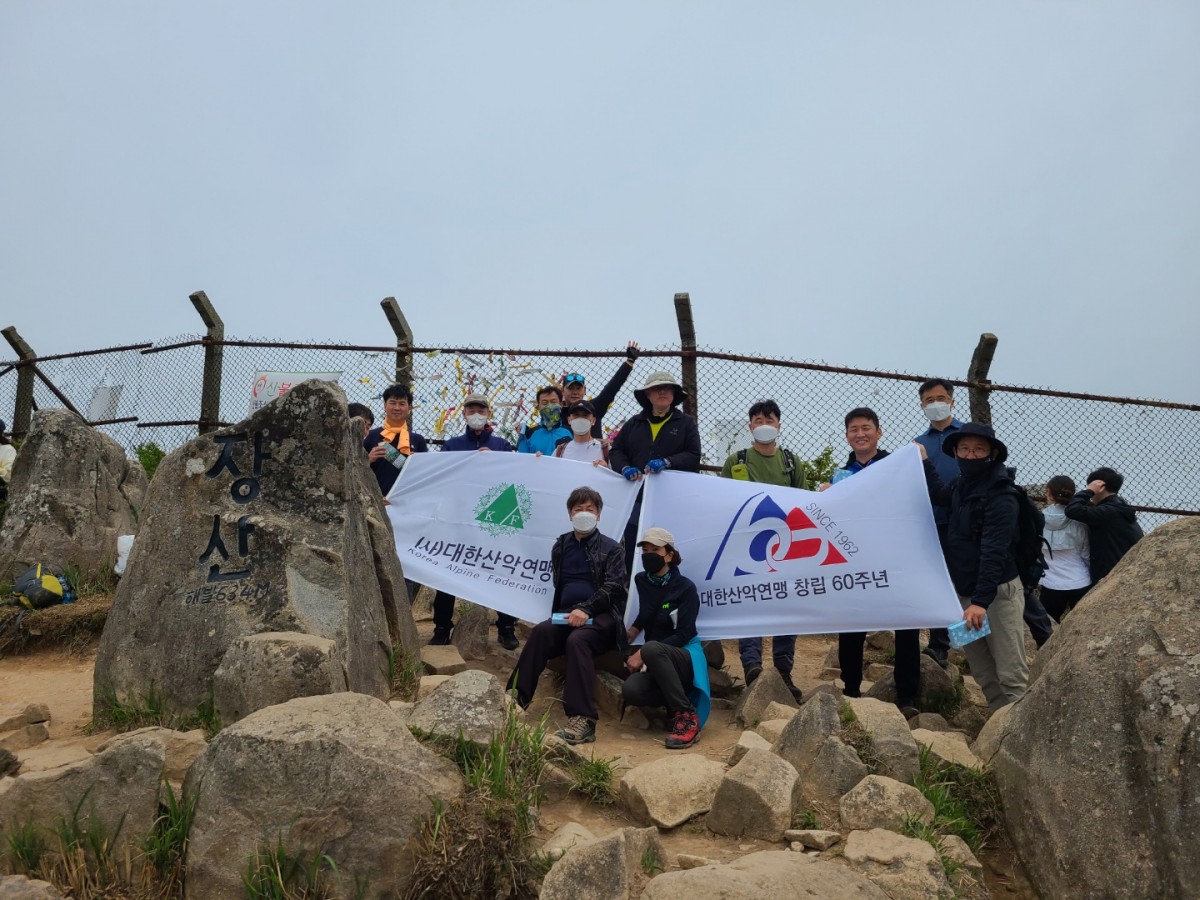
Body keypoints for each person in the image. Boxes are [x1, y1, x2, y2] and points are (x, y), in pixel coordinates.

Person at [918, 422, 1027, 712]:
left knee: (1011, 673)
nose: (970, 455)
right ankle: (999, 728)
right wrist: (925, 462)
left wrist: (980, 601)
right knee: (983, 673)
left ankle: (1021, 731)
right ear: (955, 452)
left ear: (992, 453)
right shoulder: (961, 485)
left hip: (996, 595)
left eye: (979, 449)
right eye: (964, 449)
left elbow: (995, 552)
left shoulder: (1002, 495)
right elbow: (941, 496)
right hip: (965, 594)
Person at [507, 487, 628, 745]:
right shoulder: (560, 546)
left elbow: (615, 586)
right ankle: (514, 700)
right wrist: (571, 611)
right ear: (570, 514)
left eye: (589, 509)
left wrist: (587, 608)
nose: (584, 513)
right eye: (578, 509)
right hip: (567, 615)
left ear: (599, 515)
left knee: (577, 640)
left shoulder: (612, 548)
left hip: (603, 617)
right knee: (541, 632)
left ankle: (583, 719)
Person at [827, 407, 921, 717]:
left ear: (879, 432)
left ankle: (907, 696)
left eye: (866, 428)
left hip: (896, 558)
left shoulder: (898, 467)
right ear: (847, 436)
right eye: (854, 429)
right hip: (855, 561)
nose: (860, 434)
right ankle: (851, 689)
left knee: (906, 625)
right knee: (851, 623)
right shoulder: (840, 475)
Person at [719, 399, 806, 699]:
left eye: (769, 419)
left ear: (779, 424)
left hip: (785, 547)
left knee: (786, 607)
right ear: (750, 426)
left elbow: (803, 503)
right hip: (747, 547)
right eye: (758, 420)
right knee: (750, 604)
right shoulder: (736, 461)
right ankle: (752, 667)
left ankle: (783, 671)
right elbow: (722, 501)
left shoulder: (791, 462)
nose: (764, 425)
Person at [433, 394, 520, 648]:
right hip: (458, 519)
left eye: (481, 410)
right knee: (446, 571)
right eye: (471, 410)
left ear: (488, 413)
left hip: (494, 519)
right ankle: (441, 627)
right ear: (464, 414)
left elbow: (514, 477)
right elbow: (442, 476)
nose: (476, 414)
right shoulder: (452, 445)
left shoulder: (502, 445)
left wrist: (494, 461)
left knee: (501, 571)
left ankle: (506, 626)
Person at [622, 527, 710, 750]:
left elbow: (685, 633)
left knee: (651, 648)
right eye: (645, 550)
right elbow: (647, 612)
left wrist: (643, 653)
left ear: (669, 555)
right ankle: (673, 705)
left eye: (655, 550)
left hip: (684, 656)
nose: (649, 555)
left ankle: (687, 716)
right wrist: (633, 631)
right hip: (657, 659)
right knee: (631, 690)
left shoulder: (686, 588)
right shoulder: (642, 580)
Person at [609, 370, 702, 572]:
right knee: (634, 547)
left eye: (667, 388)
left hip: (672, 500)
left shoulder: (685, 423)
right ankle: (633, 587)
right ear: (648, 395)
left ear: (674, 394)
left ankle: (672, 586)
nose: (662, 392)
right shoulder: (634, 423)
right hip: (637, 498)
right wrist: (625, 468)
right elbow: (616, 450)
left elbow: (694, 455)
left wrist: (667, 462)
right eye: (657, 388)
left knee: (669, 547)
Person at [910, 379, 963, 668]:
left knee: (965, 581)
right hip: (932, 523)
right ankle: (939, 645)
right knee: (937, 582)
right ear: (922, 405)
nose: (936, 404)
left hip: (966, 522)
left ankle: (971, 644)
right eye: (929, 400)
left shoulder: (968, 436)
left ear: (952, 400)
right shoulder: (917, 444)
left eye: (941, 398)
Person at [1064, 466, 1144, 584]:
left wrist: (1089, 491)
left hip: (1109, 575)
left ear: (1100, 487)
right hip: (1122, 570)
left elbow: (1072, 510)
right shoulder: (1120, 508)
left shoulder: (1107, 512)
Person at [561, 340, 641, 438]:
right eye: (570, 388)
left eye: (578, 388)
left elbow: (612, 387)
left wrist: (630, 361)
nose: (575, 392)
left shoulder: (594, 407)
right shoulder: (557, 414)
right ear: (562, 390)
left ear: (585, 390)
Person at [1040, 475, 1091, 622]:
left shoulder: (1038, 518)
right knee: (1081, 626)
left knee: (1046, 627)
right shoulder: (1079, 519)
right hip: (1080, 581)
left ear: (1049, 493)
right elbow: (1086, 553)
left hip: (1050, 582)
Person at [363, 384, 428, 496]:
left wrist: (415, 463)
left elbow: (425, 473)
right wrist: (368, 459)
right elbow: (355, 470)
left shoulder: (418, 440)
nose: (397, 408)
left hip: (409, 498)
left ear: (409, 408)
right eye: (392, 403)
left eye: (402, 404)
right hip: (377, 499)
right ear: (385, 406)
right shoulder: (371, 436)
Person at [517, 386, 572, 456]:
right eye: (545, 403)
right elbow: (523, 459)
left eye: (553, 402)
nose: (549, 406)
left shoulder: (571, 432)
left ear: (561, 404)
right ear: (538, 407)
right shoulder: (528, 435)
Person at [554, 400, 609, 465]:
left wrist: (606, 468)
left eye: (585, 415)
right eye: (576, 415)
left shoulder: (605, 450)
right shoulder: (560, 451)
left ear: (593, 421)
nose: (580, 419)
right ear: (569, 420)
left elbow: (616, 470)